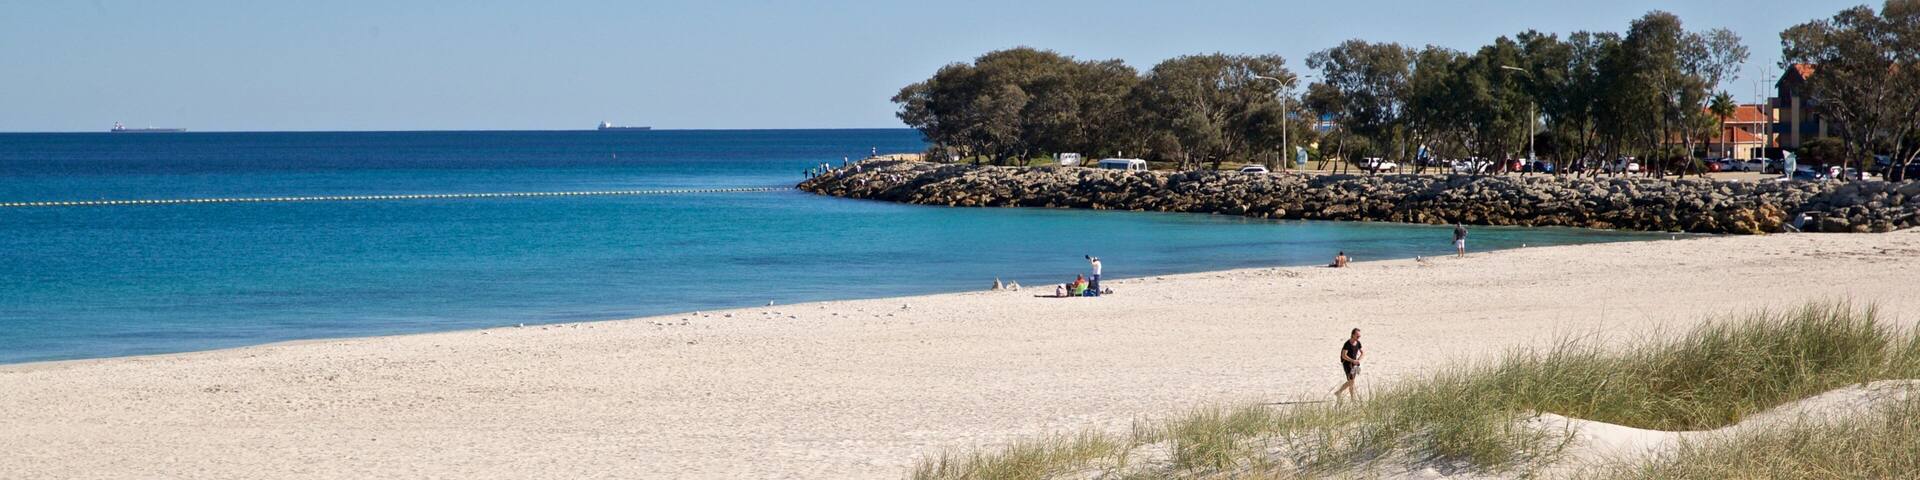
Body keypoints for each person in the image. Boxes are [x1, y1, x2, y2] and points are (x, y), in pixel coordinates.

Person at [1333, 328, 1365, 401]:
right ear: (1353, 335)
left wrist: (1358, 360)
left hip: (1354, 364)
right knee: (1351, 381)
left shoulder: (1358, 343)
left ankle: (1352, 398)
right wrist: (1353, 360)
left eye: (1359, 336)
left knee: (1352, 381)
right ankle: (1339, 392)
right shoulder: (1347, 343)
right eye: (1357, 336)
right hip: (1347, 364)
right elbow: (1343, 355)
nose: (1359, 337)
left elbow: (1362, 353)